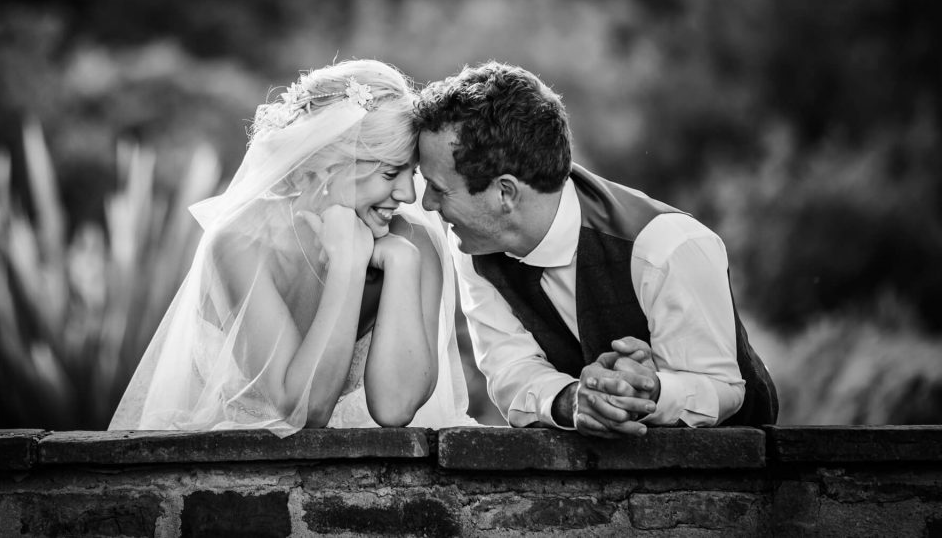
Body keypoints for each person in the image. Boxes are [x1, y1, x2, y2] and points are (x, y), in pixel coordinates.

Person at [414, 61, 777, 438]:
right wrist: (572, 400)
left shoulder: (666, 246)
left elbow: (724, 388)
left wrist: (650, 390)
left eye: (438, 189)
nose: (425, 203)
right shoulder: (475, 247)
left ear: (505, 192)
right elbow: (510, 372)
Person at [110, 60, 472, 435]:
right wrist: (347, 264)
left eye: (409, 172)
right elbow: (305, 410)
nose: (408, 194)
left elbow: (396, 408)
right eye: (388, 172)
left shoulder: (414, 245)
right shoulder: (241, 244)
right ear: (327, 162)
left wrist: (401, 263)